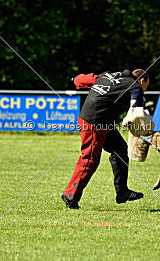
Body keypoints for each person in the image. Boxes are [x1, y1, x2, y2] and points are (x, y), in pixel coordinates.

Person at [61, 69, 150, 209]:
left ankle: (122, 192)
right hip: (95, 122)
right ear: (142, 80)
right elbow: (136, 111)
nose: (144, 89)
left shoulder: (109, 75)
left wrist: (74, 79)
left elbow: (82, 79)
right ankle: (70, 195)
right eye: (146, 86)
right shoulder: (136, 86)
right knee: (90, 159)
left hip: (97, 120)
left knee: (120, 149)